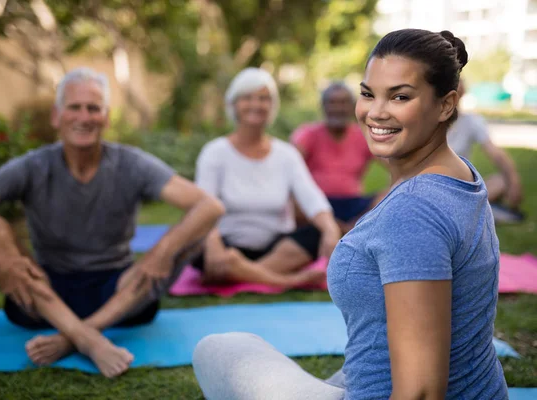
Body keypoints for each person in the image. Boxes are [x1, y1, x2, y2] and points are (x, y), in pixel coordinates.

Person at [192, 29, 508, 400]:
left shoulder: (412, 213)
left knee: (218, 348)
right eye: (368, 93)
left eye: (400, 96)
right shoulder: (462, 176)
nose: (375, 112)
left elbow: (421, 391)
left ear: (446, 105)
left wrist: (326, 226)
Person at [0, 67, 224, 378]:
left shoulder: (132, 162)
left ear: (106, 116)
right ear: (56, 115)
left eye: (93, 108)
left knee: (189, 238)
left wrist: (162, 251)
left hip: (120, 295)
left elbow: (209, 206)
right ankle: (89, 338)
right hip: (45, 295)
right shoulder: (33, 165)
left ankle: (73, 336)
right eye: (74, 107)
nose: (84, 116)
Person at [191, 67, 341, 288]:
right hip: (226, 245)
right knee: (196, 243)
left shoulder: (286, 154)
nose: (256, 104)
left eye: (263, 98)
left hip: (276, 248)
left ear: (272, 106)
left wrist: (330, 229)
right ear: (233, 104)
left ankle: (238, 272)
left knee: (315, 234)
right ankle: (286, 280)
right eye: (247, 98)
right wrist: (213, 245)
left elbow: (311, 198)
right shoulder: (214, 152)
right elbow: (202, 206)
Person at [290, 82, 387, 233]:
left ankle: (353, 228)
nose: (338, 108)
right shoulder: (308, 134)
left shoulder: (364, 136)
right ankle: (341, 229)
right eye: (332, 103)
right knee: (294, 201)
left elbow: (396, 164)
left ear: (352, 106)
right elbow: (288, 168)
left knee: (390, 196)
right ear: (323, 106)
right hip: (317, 204)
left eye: (343, 103)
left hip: (353, 206)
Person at [448, 79, 524, 222]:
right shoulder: (427, 121)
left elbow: (496, 154)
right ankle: (475, 209)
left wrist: (513, 181)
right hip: (433, 184)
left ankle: (470, 207)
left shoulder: (470, 121)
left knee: (501, 181)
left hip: (462, 186)